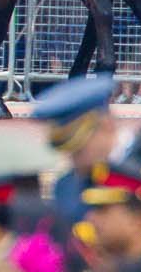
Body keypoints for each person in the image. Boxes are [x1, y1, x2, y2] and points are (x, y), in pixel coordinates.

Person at [32, 74, 122, 234]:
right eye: (70, 149)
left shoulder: (135, 185)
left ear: (108, 126)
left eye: (80, 147)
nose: (73, 157)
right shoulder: (64, 185)